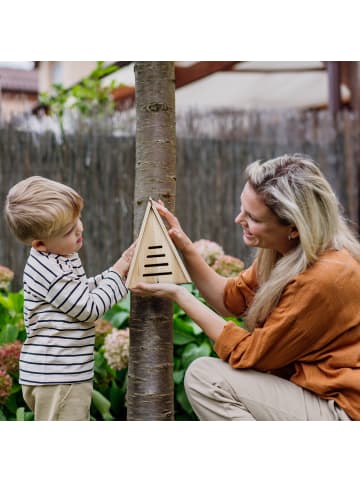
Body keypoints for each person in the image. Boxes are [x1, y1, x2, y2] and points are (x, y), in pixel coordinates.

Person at [131, 154, 360, 421]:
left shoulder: (323, 278)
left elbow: (251, 354)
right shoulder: (286, 252)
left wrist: (180, 295)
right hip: (314, 393)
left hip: (341, 410)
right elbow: (231, 300)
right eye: (242, 208)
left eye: (252, 218)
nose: (239, 219)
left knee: (205, 378)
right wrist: (184, 246)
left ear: (294, 228)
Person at [4, 176, 135, 421]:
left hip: (56, 375)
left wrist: (119, 270)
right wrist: (119, 275)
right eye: (68, 231)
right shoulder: (50, 269)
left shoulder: (60, 254)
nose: (79, 230)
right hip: (59, 377)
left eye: (77, 221)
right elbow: (89, 308)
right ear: (40, 244)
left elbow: (79, 292)